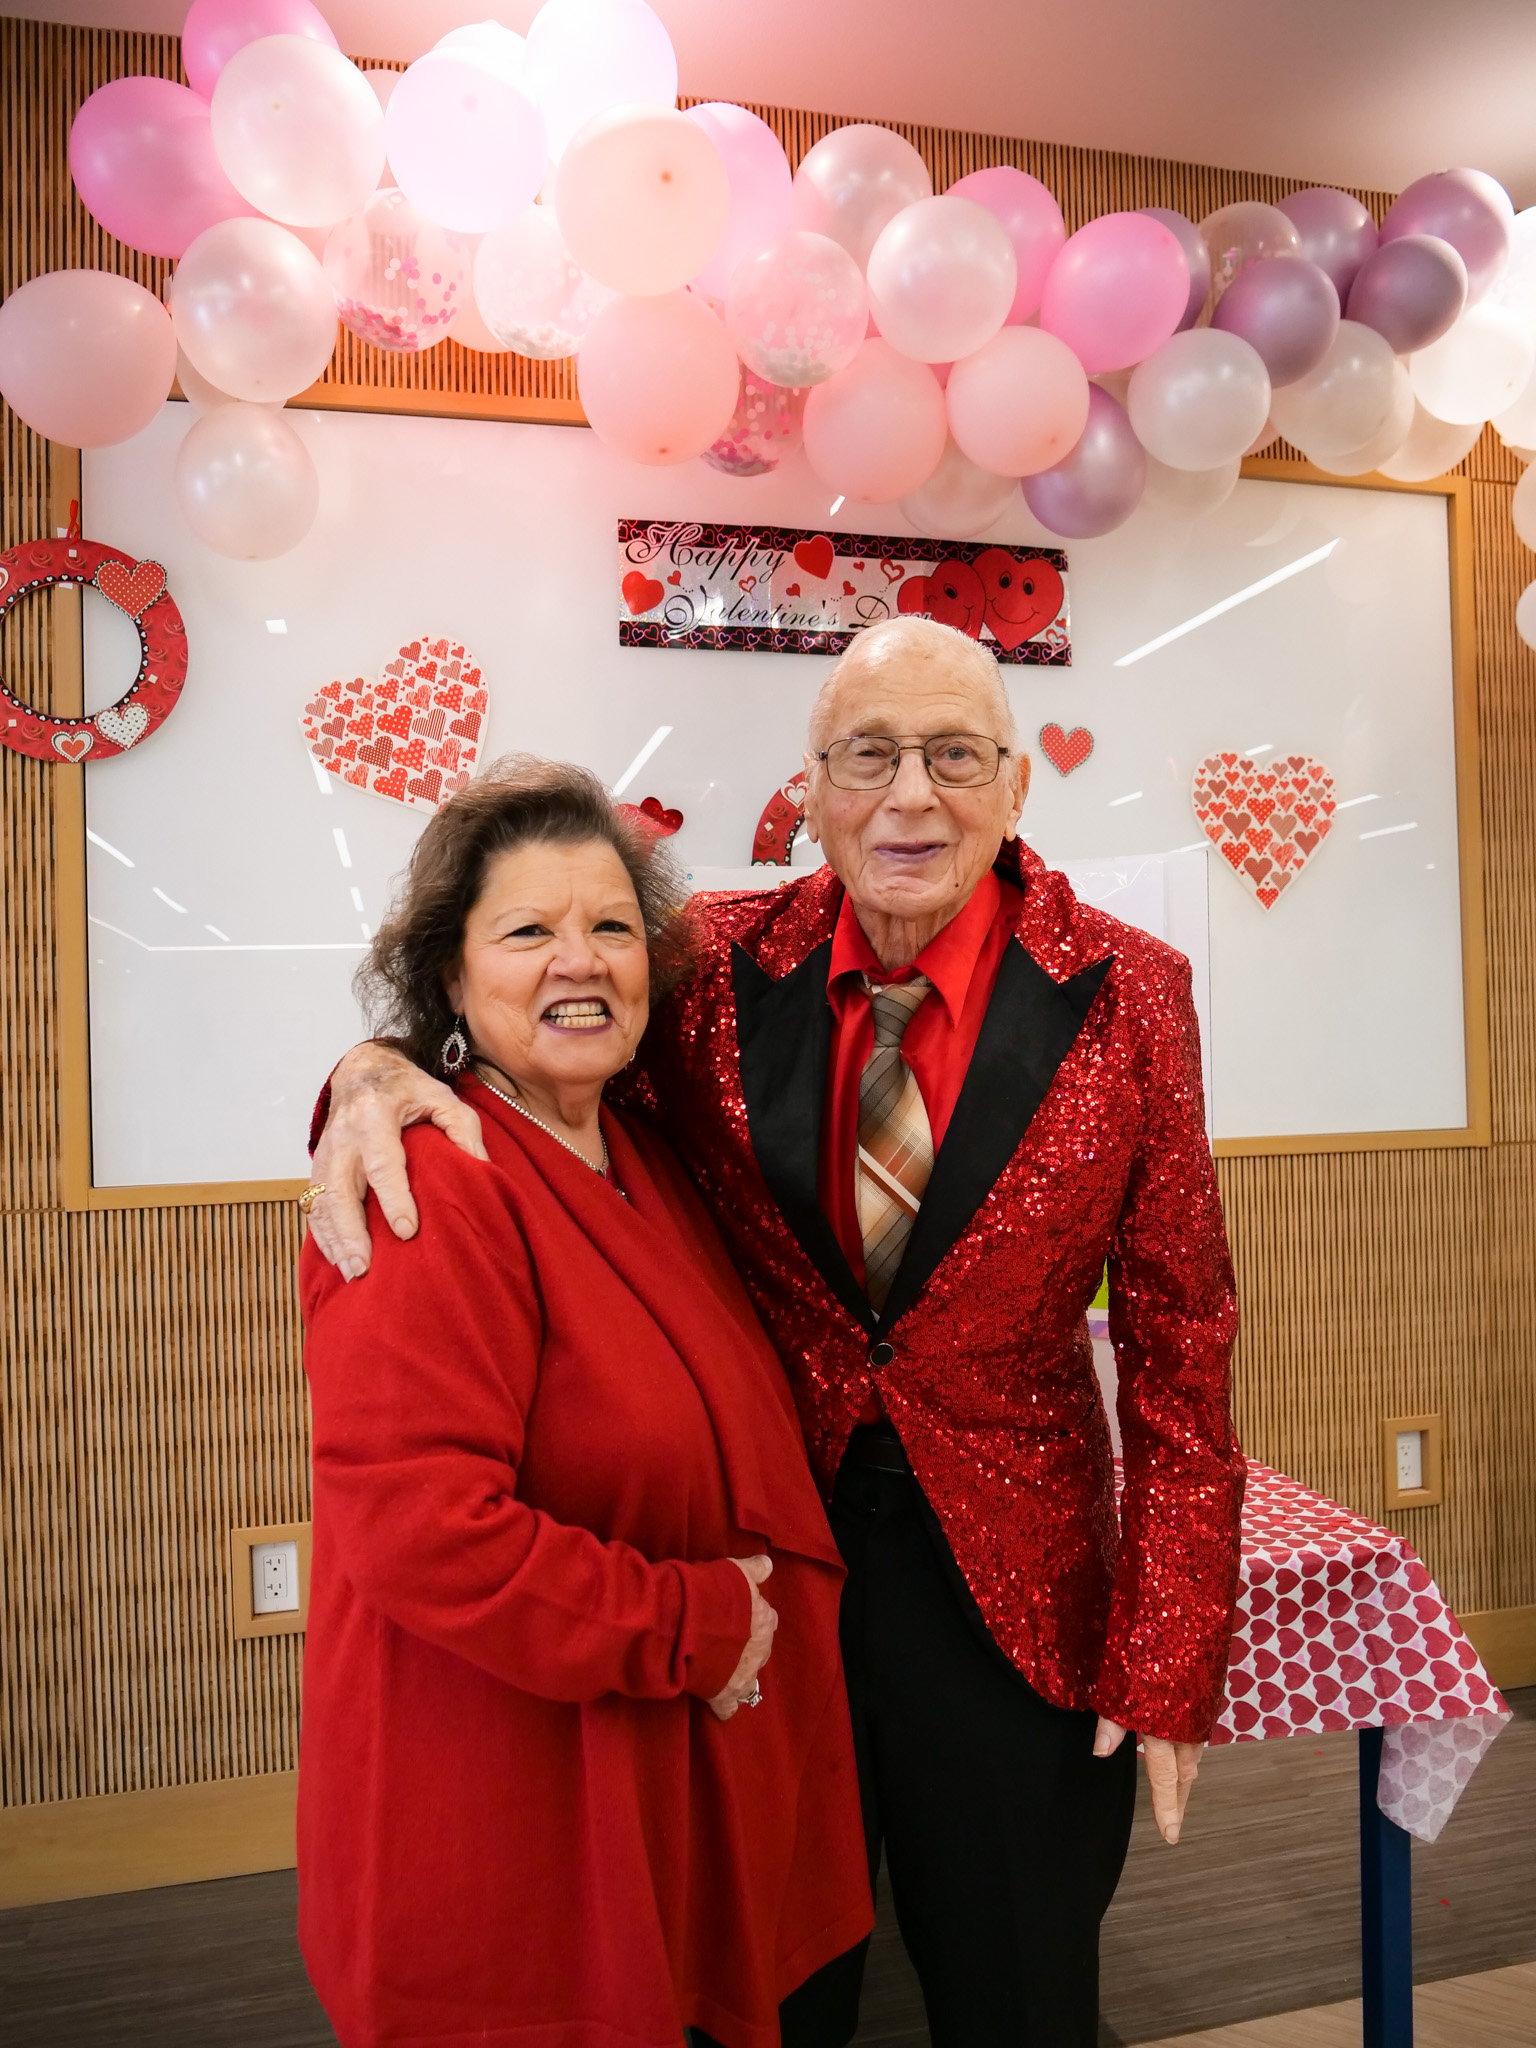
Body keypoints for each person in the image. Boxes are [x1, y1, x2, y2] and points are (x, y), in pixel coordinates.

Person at [308, 617, 1246, 2048]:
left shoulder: (1132, 999)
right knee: (771, 1981)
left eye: (951, 755)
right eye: (867, 755)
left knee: (1020, 1989)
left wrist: (1171, 1646)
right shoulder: (704, 969)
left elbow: (1184, 1342)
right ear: (808, 786)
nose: (909, 796)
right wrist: (369, 1068)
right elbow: (537, 1044)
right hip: (757, 1573)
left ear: (1015, 784)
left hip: (1013, 1593)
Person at [296, 760, 872, 2048]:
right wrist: (698, 1620)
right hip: (521, 1817)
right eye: (528, 931)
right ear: (449, 978)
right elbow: (420, 1531)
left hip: (675, 1784)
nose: (583, 960)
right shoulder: (426, 1191)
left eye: (612, 926)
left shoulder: (646, 1151)